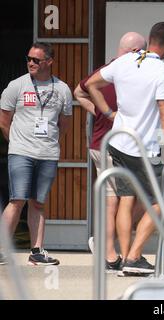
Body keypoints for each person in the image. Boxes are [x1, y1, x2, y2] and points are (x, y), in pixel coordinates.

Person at [86, 22, 164, 275]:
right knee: (159, 202)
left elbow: (91, 85)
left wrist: (110, 113)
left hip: (119, 142)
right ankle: (133, 257)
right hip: (144, 148)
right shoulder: (163, 71)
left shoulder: (123, 62)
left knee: (127, 199)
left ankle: (126, 258)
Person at [74, 32, 147, 272]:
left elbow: (79, 91)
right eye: (143, 52)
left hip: (106, 144)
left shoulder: (106, 70)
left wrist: (99, 110)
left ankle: (108, 251)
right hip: (113, 145)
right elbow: (78, 93)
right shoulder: (124, 72)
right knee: (124, 199)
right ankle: (113, 253)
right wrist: (104, 112)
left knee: (120, 200)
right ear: (136, 51)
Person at [0, 42, 72, 265]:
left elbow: (65, 124)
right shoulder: (16, 85)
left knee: (38, 203)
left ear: (49, 62)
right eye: (29, 58)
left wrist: (50, 142)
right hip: (20, 151)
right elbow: (4, 121)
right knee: (17, 200)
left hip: (48, 153)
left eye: (36, 60)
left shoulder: (62, 89)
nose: (31, 63)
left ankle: (37, 251)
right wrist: (17, 144)